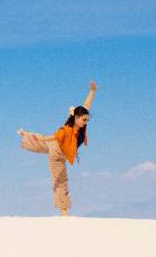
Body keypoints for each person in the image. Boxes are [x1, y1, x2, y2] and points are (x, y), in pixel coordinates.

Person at [17, 81, 97, 216]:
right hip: (57, 153)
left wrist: (92, 91)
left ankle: (25, 134)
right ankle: (64, 211)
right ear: (76, 118)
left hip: (59, 147)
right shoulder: (67, 129)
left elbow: (86, 106)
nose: (85, 122)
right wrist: (41, 139)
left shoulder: (79, 123)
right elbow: (54, 137)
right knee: (61, 180)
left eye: (87, 120)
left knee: (43, 143)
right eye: (84, 120)